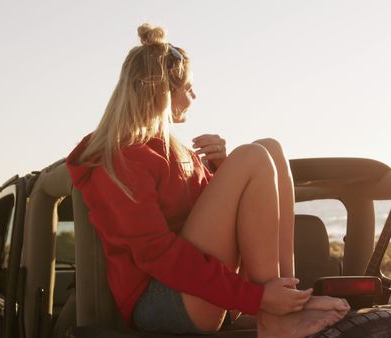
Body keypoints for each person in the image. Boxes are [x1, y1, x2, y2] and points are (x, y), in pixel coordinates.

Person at [66, 23, 349, 338]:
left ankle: (286, 302)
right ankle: (274, 313)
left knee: (270, 148)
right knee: (252, 156)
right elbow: (158, 254)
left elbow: (213, 218)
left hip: (203, 290)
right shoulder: (118, 159)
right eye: (187, 87)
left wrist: (219, 166)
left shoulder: (175, 150)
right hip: (160, 301)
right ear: (162, 91)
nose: (194, 95)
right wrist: (256, 298)